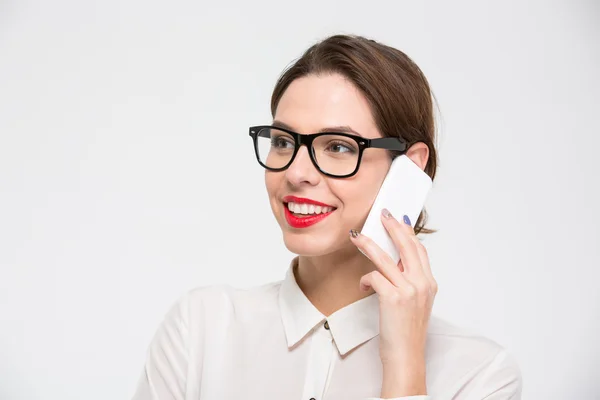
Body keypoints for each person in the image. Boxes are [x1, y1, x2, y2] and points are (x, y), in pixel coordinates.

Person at [132, 34, 522, 400]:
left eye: (337, 146)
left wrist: (405, 366)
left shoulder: (478, 374)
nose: (297, 172)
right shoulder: (201, 330)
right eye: (283, 142)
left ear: (409, 169)